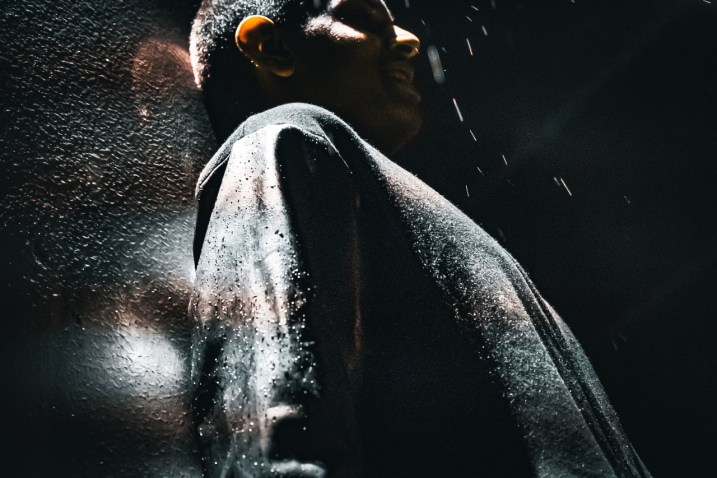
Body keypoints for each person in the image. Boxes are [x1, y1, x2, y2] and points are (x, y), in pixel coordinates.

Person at [189, 1, 652, 477]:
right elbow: (270, 422)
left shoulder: (367, 187)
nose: (409, 40)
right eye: (365, 19)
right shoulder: (287, 135)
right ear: (274, 48)